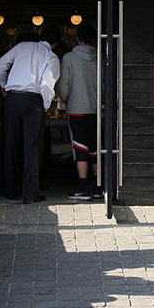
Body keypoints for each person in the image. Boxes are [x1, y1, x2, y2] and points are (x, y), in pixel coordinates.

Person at [0, 25, 61, 204]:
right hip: (33, 101)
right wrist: (46, 104)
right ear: (55, 43)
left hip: (12, 99)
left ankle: (10, 191)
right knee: (32, 147)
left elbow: (0, 64)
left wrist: (4, 85)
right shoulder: (51, 57)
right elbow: (47, 83)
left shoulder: (22, 46)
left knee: (11, 144)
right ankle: (30, 194)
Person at [56, 23, 99, 201]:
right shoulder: (100, 56)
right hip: (96, 108)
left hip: (77, 109)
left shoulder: (68, 58)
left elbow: (63, 85)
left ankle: (83, 188)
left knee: (80, 147)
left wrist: (65, 100)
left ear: (77, 39)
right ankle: (98, 187)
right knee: (95, 148)